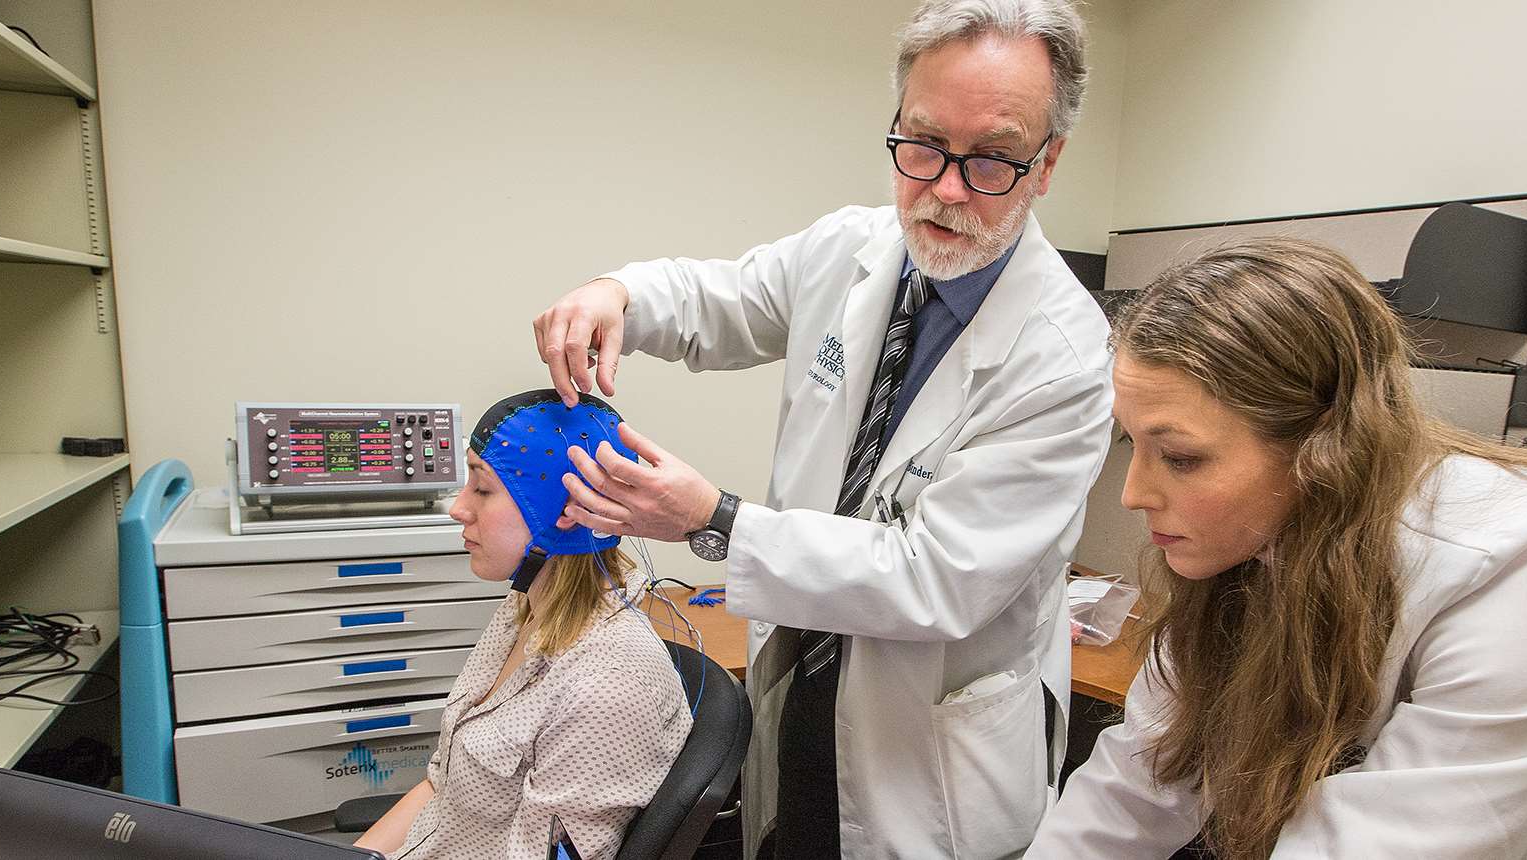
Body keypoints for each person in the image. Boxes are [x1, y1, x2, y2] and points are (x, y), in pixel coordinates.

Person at [530, 2, 1109, 855]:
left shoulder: (1064, 357)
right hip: (801, 685)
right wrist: (617, 293)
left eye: (989, 159)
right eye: (922, 144)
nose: (945, 189)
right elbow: (719, 300)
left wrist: (712, 520)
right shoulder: (851, 249)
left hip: (929, 754)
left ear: (1046, 162)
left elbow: (935, 579)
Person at [1025, 238, 1527, 859]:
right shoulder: (1249, 549)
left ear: (1320, 448)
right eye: (1134, 447)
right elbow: (1138, 786)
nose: (1134, 495)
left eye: (1183, 456)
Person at [355, 390, 692, 860]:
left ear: (564, 511)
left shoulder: (607, 687)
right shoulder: (527, 609)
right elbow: (442, 785)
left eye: (483, 488)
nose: (458, 507)